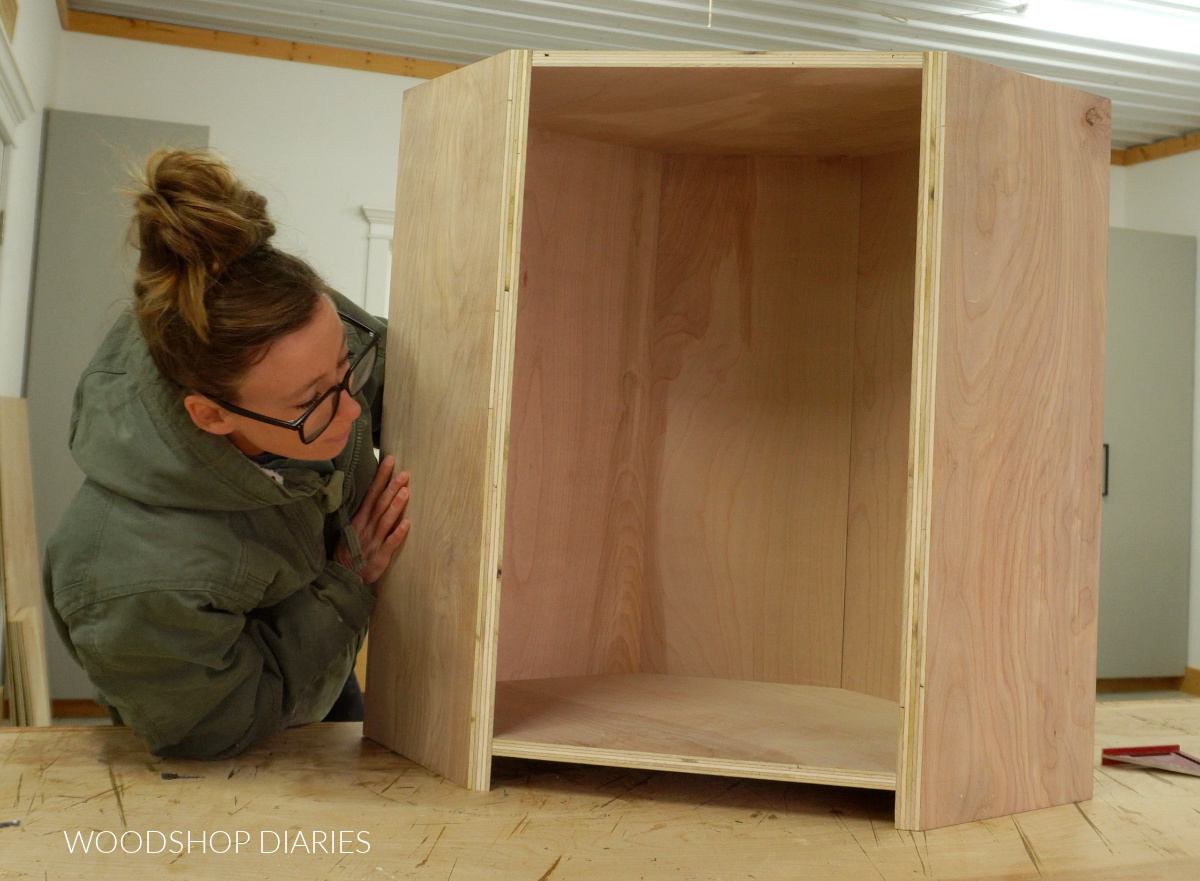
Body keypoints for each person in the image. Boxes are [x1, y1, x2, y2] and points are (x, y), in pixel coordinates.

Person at [42, 149, 410, 759]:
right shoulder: (130, 578)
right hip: (234, 741)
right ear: (211, 416)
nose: (352, 413)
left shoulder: (281, 333)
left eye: (346, 366)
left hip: (324, 653)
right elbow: (214, 725)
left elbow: (383, 371)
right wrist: (347, 581)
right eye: (313, 402)